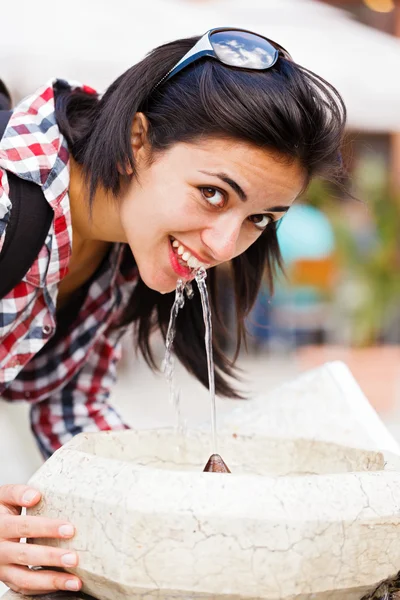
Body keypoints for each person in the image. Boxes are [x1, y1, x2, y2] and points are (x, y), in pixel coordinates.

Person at [0, 28, 346, 595]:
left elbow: (69, 409)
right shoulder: (9, 197)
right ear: (138, 141)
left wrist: (172, 505)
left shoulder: (119, 250)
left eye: (260, 218)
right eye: (213, 193)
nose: (224, 244)